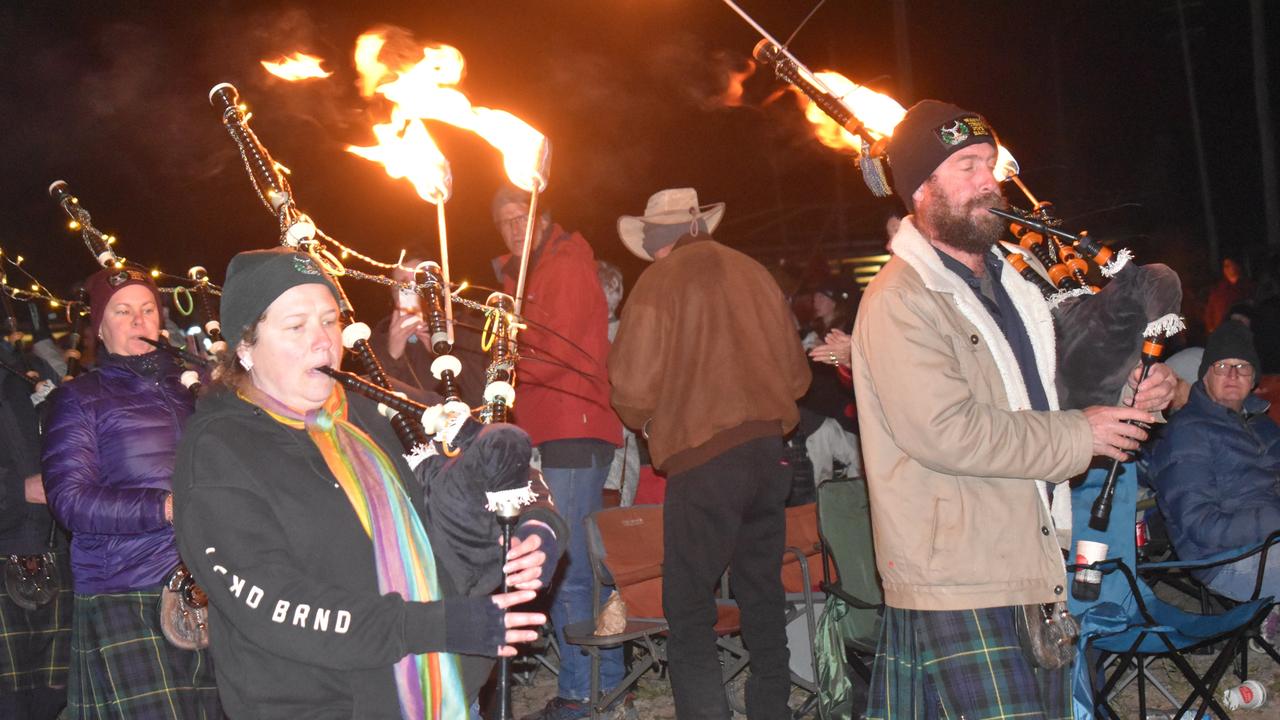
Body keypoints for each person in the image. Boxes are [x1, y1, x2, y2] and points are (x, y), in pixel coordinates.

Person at [850, 101, 1176, 719]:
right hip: (957, 571)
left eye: (990, 165)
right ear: (921, 188)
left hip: (1030, 552)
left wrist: (1133, 395)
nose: (987, 181)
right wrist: (1082, 433)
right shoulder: (902, 298)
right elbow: (945, 431)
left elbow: (1056, 397)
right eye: (967, 166)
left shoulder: (1019, 288)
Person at [171, 248, 550, 718]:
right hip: (321, 706)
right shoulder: (218, 451)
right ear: (245, 346)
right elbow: (272, 606)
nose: (323, 342)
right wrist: (434, 625)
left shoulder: (374, 408)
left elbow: (499, 457)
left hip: (448, 690)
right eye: (296, 326)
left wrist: (537, 529)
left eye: (329, 321)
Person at [609, 187, 812, 719]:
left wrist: (651, 422)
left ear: (660, 241)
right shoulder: (753, 272)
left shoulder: (658, 281)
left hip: (704, 462)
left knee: (689, 601)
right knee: (762, 590)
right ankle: (772, 707)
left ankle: (705, 713)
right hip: (771, 456)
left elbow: (630, 388)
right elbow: (796, 375)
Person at [41, 266, 221, 718]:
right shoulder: (80, 398)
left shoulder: (194, 391)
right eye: (123, 312)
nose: (140, 321)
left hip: (205, 581)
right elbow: (69, 500)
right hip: (126, 587)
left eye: (147, 310)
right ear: (100, 327)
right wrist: (164, 507)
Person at [489, 186, 625, 720]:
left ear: (543, 215)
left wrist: (500, 365)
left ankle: (583, 691)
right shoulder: (528, 271)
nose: (514, 228)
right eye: (504, 222)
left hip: (573, 423)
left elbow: (555, 351)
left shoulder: (564, 266)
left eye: (522, 217)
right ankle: (603, 680)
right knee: (577, 561)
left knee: (564, 561)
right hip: (558, 425)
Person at [1147, 320, 1280, 603]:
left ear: (1254, 377)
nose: (1233, 374)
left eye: (1242, 366)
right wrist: (1274, 519)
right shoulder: (1188, 432)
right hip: (1229, 561)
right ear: (1204, 377)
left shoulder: (1262, 424)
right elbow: (1200, 524)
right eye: (1222, 366)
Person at [0, 334, 70, 720]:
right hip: (8, 544)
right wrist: (16, 489)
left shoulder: (30, 369)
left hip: (54, 550)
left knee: (52, 697)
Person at [370, 255, 488, 406]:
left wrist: (442, 353)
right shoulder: (377, 342)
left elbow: (483, 396)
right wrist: (392, 356)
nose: (412, 291)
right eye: (403, 285)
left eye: (419, 283)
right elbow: (377, 406)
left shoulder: (464, 328)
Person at [1204, 256, 1254, 334]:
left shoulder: (1247, 287)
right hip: (1222, 332)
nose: (1226, 268)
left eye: (1229, 265)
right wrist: (1211, 328)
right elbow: (1210, 310)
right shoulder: (1218, 289)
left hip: (1242, 332)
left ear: (1237, 266)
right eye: (1224, 266)